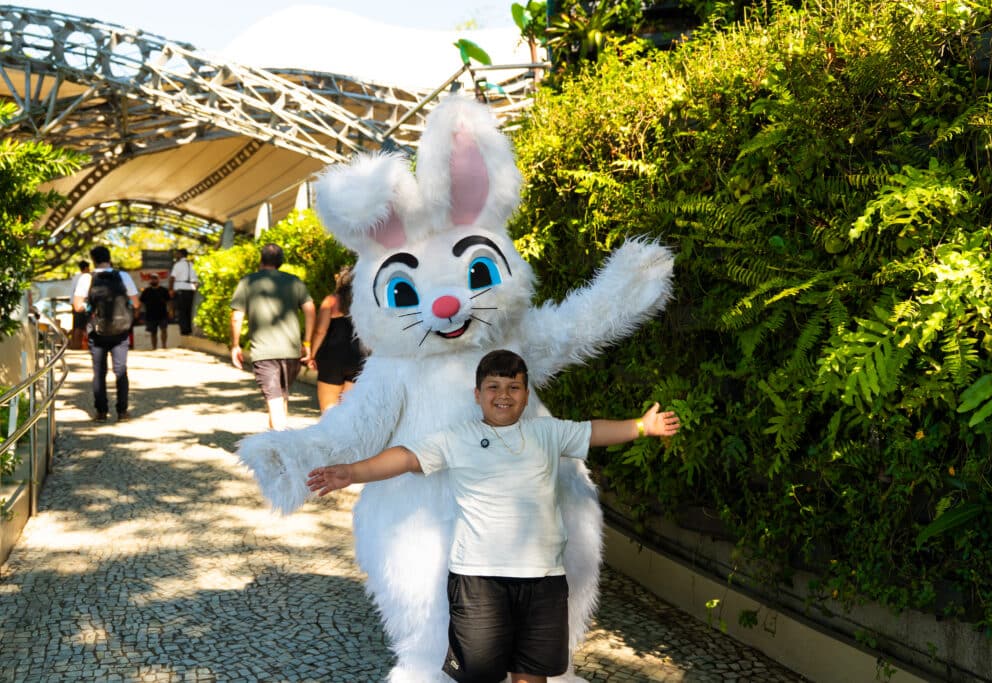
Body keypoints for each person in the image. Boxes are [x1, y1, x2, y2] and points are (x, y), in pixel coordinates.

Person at [306, 349, 681, 683]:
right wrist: (352, 472)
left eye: (513, 387)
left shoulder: (547, 433)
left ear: (526, 394)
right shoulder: (457, 437)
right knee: (479, 676)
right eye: (493, 387)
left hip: (543, 580)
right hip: (478, 580)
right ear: (477, 395)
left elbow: (593, 430)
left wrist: (640, 427)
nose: (503, 395)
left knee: (531, 673)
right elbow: (405, 457)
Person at [230, 243, 316, 430]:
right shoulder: (294, 281)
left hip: (264, 352)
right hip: (292, 352)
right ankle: (273, 447)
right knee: (280, 399)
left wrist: (235, 345)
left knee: (275, 402)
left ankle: (282, 451)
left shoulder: (248, 282)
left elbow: (236, 317)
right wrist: (307, 341)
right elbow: (310, 308)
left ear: (261, 260)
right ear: (280, 262)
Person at [72, 246, 140, 422]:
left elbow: (77, 306)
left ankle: (101, 412)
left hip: (97, 333)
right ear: (109, 258)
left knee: (99, 373)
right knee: (121, 371)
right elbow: (136, 303)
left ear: (93, 260)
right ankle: (123, 412)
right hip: (121, 331)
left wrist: (90, 307)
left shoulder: (87, 278)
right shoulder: (123, 276)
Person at [307, 266, 365, 412]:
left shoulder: (331, 301)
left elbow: (320, 331)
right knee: (349, 411)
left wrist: (312, 355)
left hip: (332, 358)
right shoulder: (367, 303)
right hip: (358, 357)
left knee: (329, 412)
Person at [169, 248, 197, 336]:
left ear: (181, 254)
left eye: (177, 254)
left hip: (180, 289)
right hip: (190, 289)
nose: (176, 256)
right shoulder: (192, 264)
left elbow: (172, 278)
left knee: (181, 311)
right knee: (188, 310)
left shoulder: (177, 265)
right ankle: (189, 330)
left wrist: (171, 289)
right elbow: (196, 280)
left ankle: (184, 331)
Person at [138, 274, 171, 350]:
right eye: (152, 279)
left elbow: (169, 302)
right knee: (153, 332)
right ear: (150, 280)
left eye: (155, 279)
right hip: (150, 314)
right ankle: (154, 348)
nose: (153, 280)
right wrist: (138, 312)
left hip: (163, 314)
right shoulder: (146, 291)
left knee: (164, 330)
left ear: (158, 280)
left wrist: (170, 311)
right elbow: (141, 302)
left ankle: (164, 346)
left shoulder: (164, 290)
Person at [68, 259, 90, 350]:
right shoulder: (85, 277)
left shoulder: (75, 277)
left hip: (73, 302)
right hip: (81, 303)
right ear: (86, 268)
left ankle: (75, 344)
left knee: (76, 325)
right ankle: (77, 345)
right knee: (80, 326)